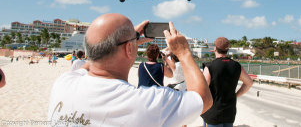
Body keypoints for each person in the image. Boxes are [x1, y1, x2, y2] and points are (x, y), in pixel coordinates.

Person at [48, 13, 212, 126]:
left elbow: (91, 61)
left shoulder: (64, 83)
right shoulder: (147, 103)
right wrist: (183, 52)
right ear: (128, 49)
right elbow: (203, 99)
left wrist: (129, 41)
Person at [201, 37, 253, 127]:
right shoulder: (237, 66)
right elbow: (249, 83)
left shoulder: (210, 66)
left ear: (215, 49)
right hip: (229, 111)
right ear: (227, 50)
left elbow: (202, 89)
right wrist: (236, 95)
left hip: (213, 112)